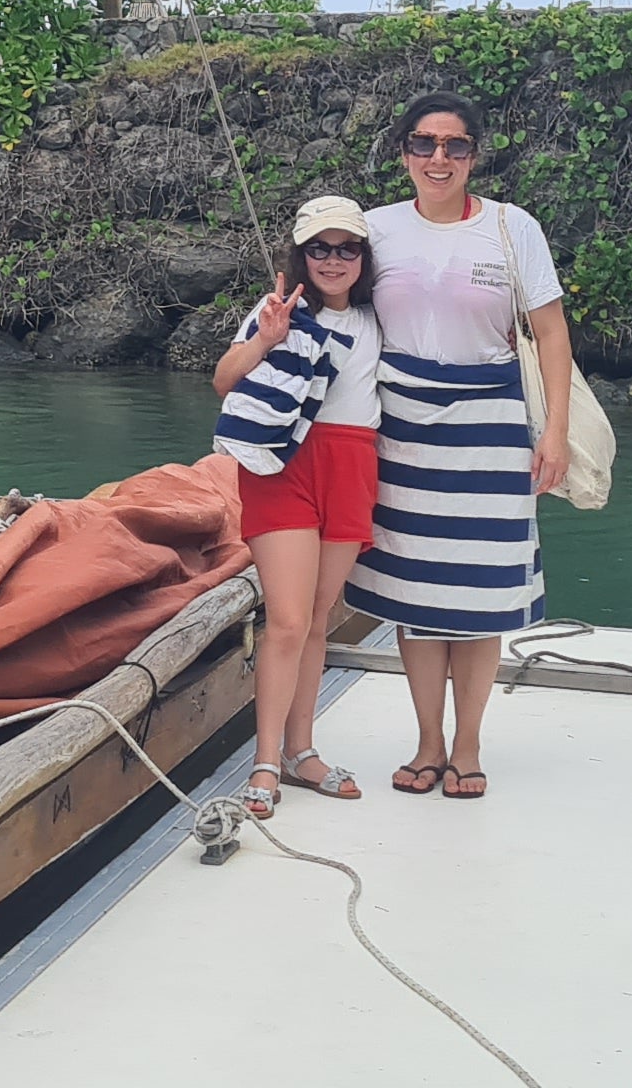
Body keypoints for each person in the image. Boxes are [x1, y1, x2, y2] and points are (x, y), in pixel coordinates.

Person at [345, 91, 571, 801]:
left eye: (454, 145)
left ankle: (467, 746)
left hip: (492, 420)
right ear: (402, 152)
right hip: (399, 422)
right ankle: (427, 742)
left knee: (477, 592)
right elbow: (334, 316)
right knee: (415, 594)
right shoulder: (374, 230)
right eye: (422, 143)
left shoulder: (511, 229)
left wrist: (555, 431)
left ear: (475, 155)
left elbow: (551, 333)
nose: (437, 158)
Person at [210, 196, 381, 817]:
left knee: (316, 616)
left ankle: (301, 750)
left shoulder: (376, 321)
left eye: (347, 248)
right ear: (301, 255)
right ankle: (265, 759)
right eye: (320, 248)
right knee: (285, 618)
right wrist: (266, 340)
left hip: (353, 463)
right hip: (285, 463)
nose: (333, 260)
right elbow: (224, 379)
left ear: (363, 257)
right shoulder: (279, 309)